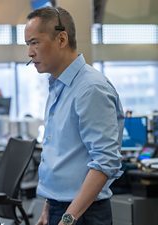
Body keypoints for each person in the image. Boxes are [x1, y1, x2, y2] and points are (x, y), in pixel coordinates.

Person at [25, 7, 124, 225]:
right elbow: (60, 158)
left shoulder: (90, 88)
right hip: (62, 208)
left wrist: (68, 218)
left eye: (35, 42)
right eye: (28, 44)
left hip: (83, 214)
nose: (30, 53)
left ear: (61, 39)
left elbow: (105, 162)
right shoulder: (58, 86)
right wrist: (48, 208)